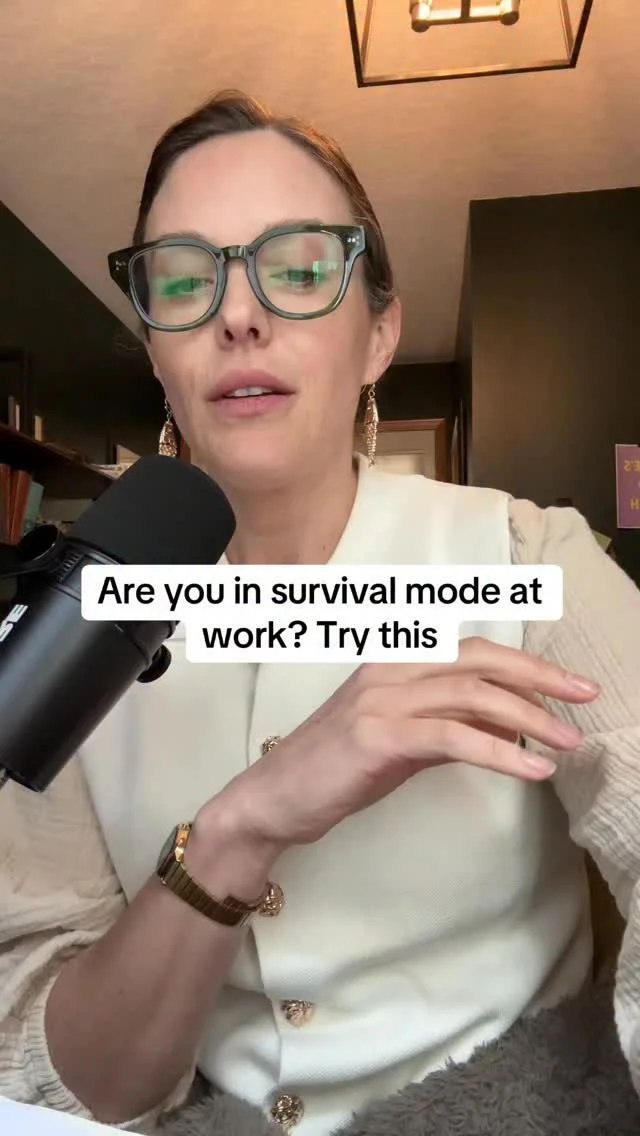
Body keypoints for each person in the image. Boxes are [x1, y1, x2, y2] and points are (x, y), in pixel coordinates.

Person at [1, 90, 639, 1136]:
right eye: (185, 279)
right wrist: (238, 828)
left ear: (379, 333)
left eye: (298, 270)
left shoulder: (529, 557)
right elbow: (79, 1084)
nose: (237, 315)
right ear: (156, 350)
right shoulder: (59, 644)